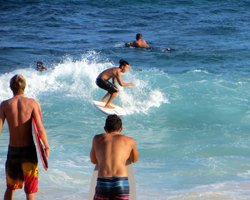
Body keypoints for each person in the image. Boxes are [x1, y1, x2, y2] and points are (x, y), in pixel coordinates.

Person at [0, 74, 50, 200]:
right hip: (29, 152)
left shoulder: (5, 105)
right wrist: (46, 146)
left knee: (10, 188)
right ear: (24, 87)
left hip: (13, 151)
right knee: (30, 190)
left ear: (11, 87)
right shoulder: (33, 103)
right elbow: (40, 128)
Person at [90, 114, 139, 200]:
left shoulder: (96, 139)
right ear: (121, 129)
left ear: (105, 129)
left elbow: (93, 160)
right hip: (121, 181)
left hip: (103, 180)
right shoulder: (130, 141)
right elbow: (134, 159)